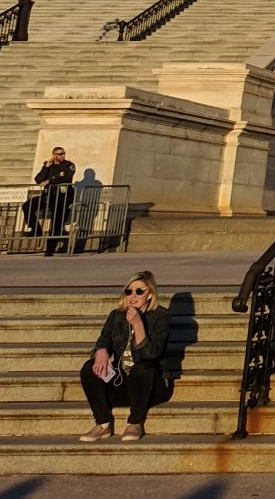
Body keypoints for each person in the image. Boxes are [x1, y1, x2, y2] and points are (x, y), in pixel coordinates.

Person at [77, 271, 171, 442]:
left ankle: (135, 422)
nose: (133, 296)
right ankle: (103, 424)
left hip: (151, 386)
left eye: (139, 291)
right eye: (129, 291)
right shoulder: (116, 316)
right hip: (122, 382)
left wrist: (137, 323)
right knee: (89, 368)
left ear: (149, 293)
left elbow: (151, 354)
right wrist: (101, 351)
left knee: (142, 367)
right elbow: (103, 340)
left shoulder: (161, 316)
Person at [28, 147, 75, 254]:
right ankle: (36, 229)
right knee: (28, 206)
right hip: (48, 196)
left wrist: (49, 180)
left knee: (56, 223)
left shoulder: (69, 165)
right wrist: (46, 168)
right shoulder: (49, 166)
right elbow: (38, 179)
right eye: (60, 154)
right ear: (54, 155)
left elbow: (66, 178)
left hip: (62, 198)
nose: (63, 155)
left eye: (63, 153)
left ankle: (50, 249)